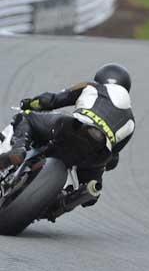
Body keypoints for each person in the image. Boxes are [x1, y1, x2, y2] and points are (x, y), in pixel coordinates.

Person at [0, 63, 135, 199]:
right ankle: (74, 197)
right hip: (97, 154)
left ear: (101, 78)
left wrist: (30, 103)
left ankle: (18, 149)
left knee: (26, 117)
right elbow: (113, 160)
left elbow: (51, 100)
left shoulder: (93, 87)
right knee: (90, 193)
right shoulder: (131, 122)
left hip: (76, 127)